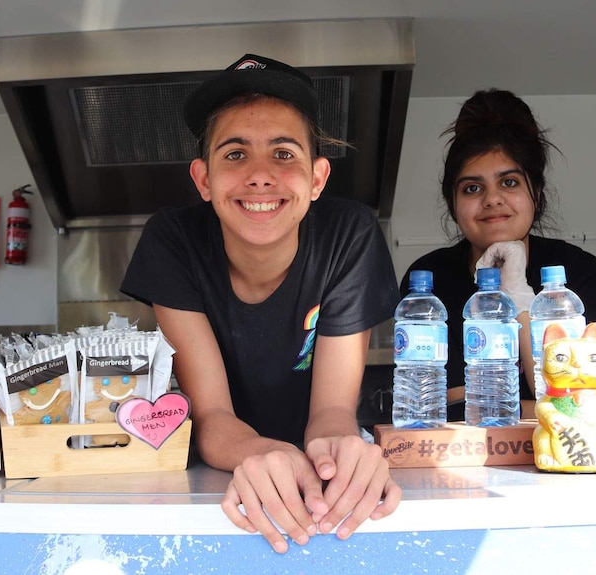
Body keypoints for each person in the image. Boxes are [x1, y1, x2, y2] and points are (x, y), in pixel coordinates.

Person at [121, 54, 401, 552]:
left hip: (316, 471)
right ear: (203, 179)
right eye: (234, 154)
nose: (259, 176)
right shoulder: (173, 240)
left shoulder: (349, 235)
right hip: (226, 467)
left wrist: (342, 453)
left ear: (317, 179)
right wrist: (260, 453)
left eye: (284, 154)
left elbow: (333, 411)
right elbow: (212, 416)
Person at [400, 89, 596, 421]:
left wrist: (519, 294)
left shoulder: (577, 269)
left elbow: (577, 401)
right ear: (453, 205)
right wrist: (543, 409)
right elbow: (447, 408)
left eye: (509, 183)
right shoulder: (430, 278)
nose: (492, 199)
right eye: (472, 188)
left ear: (536, 195)